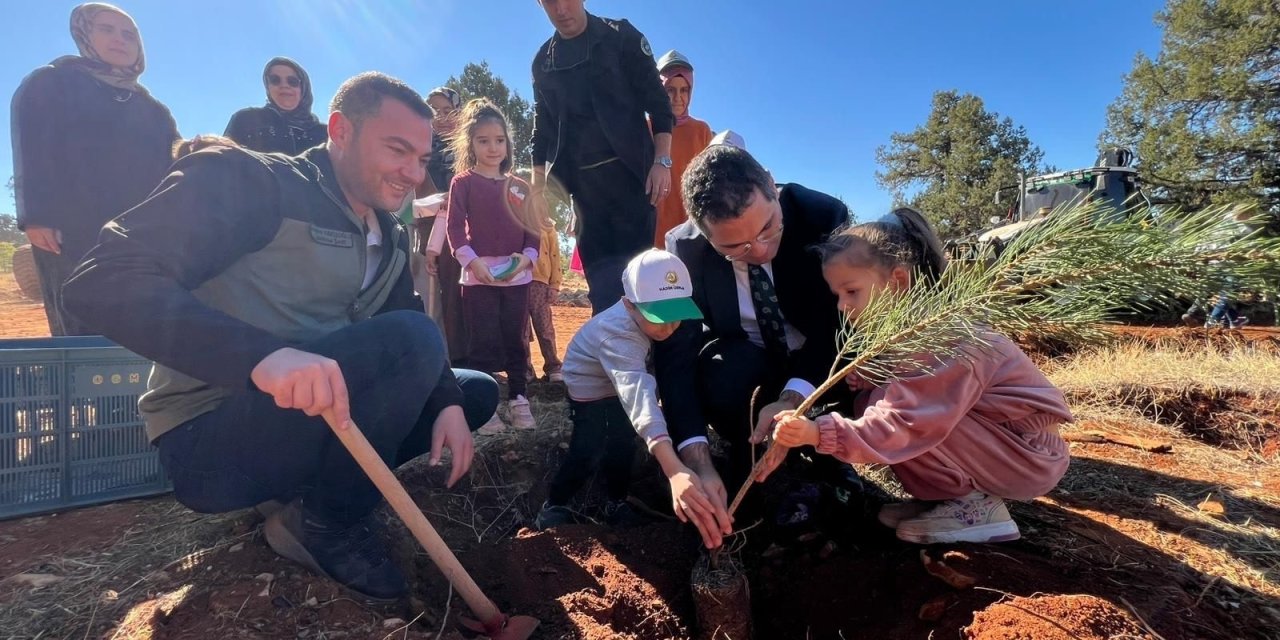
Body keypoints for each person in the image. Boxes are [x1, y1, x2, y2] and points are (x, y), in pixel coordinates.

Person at [61, 72, 498, 605]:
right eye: (397, 149)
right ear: (340, 130)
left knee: (471, 391)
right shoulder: (251, 181)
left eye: (422, 158)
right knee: (413, 341)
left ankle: (306, 494)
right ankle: (326, 526)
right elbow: (102, 281)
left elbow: (405, 316)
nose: (412, 172)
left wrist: (447, 402)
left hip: (307, 420)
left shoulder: (391, 233)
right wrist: (259, 357)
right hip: (213, 440)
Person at [763, 207, 1073, 544]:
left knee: (901, 412)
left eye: (851, 292)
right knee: (873, 397)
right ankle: (950, 498)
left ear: (897, 280)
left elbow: (907, 421)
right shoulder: (914, 330)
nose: (841, 306)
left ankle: (975, 508)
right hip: (1000, 445)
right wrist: (869, 380)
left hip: (1026, 456)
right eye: (837, 295)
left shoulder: (946, 337)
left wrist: (816, 433)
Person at [655, 145, 861, 521]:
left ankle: (827, 453)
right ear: (704, 235)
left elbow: (836, 325)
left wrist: (791, 400)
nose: (761, 250)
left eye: (768, 227)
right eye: (735, 247)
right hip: (751, 365)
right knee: (719, 369)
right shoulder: (683, 252)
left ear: (771, 184)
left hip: (822, 360)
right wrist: (695, 458)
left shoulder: (823, 218)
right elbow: (676, 354)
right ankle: (748, 450)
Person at [535, 249, 734, 549]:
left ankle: (614, 502)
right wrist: (674, 469)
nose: (669, 328)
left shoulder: (657, 324)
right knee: (587, 446)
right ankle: (554, 505)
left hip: (621, 383)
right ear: (629, 305)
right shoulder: (617, 334)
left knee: (623, 443)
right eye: (659, 319)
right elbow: (636, 394)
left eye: (675, 317)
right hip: (590, 388)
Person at [10, 2, 179, 336]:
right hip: (69, 231)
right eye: (107, 29)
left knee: (145, 324)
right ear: (84, 34)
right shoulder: (51, 83)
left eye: (129, 34)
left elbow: (174, 169)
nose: (120, 39)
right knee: (79, 317)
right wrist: (37, 216)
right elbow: (32, 148)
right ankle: (83, 387)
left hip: (140, 232)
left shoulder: (153, 109)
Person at [531, 0, 675, 313]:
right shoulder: (543, 62)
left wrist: (661, 161)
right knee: (601, 289)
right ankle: (611, 359)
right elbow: (542, 129)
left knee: (641, 282)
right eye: (549, 2)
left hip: (632, 182)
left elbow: (660, 105)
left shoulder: (621, 36)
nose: (561, 9)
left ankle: (649, 360)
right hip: (583, 193)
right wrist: (538, 187)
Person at [446, 99, 541, 430]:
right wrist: (472, 263)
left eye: (499, 140)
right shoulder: (463, 183)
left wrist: (525, 260)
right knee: (482, 342)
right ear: (471, 143)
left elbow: (533, 231)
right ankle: (484, 408)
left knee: (516, 340)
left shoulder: (520, 186)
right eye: (483, 140)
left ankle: (518, 398)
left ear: (508, 143)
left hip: (517, 281)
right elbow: (455, 228)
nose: (492, 147)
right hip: (478, 280)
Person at [422, 87, 470, 365]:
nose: (440, 118)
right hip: (427, 228)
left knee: (462, 290)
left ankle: (467, 358)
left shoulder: (471, 149)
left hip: (465, 230)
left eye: (447, 110)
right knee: (434, 290)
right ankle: (442, 356)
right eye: (433, 112)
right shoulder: (421, 149)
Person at [652, 50, 714, 248]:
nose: (678, 98)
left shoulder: (701, 130)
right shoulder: (645, 127)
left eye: (684, 90)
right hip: (653, 224)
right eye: (670, 90)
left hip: (690, 226)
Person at [224, 57, 328, 155]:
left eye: (292, 81)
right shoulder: (245, 119)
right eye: (275, 80)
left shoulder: (325, 133)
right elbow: (222, 164)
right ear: (267, 86)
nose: (284, 85)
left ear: (303, 87)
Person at [526, 215, 565, 383]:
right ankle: (525, 370)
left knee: (544, 327)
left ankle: (553, 367)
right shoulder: (511, 217)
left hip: (540, 283)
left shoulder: (547, 225)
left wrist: (554, 284)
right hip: (515, 281)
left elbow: (554, 255)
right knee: (521, 330)